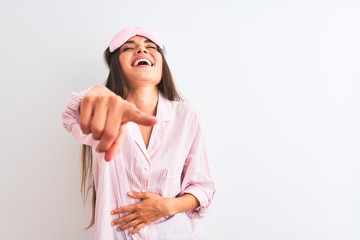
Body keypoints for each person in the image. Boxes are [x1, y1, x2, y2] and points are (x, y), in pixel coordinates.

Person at [62, 26, 215, 240]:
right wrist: (95, 92)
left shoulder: (186, 116)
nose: (142, 51)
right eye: (129, 48)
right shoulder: (103, 112)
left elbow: (203, 187)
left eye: (150, 47)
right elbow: (71, 118)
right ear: (116, 65)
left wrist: (169, 206)